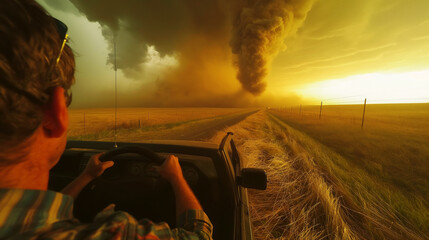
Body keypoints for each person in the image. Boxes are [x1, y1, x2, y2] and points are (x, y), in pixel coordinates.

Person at [0, 0, 213, 239]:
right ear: (55, 112)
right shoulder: (115, 233)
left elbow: (42, 216)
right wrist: (177, 178)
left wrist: (87, 176)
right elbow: (199, 235)